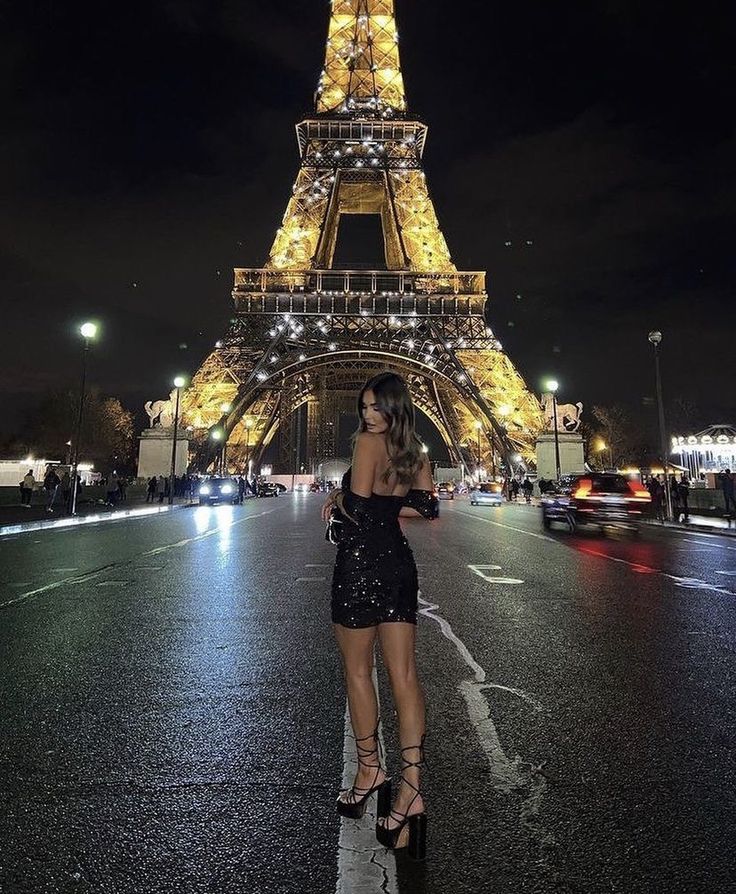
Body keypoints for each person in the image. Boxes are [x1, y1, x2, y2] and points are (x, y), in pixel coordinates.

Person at [321, 372, 436, 860]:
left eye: (374, 407)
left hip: (361, 565)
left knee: (357, 672)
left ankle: (370, 768)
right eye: (363, 407)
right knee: (405, 676)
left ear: (391, 407)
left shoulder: (367, 445)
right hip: (399, 566)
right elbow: (427, 507)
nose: (367, 415)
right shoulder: (418, 453)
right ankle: (411, 790)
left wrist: (338, 500)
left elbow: (362, 510)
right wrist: (391, 508)